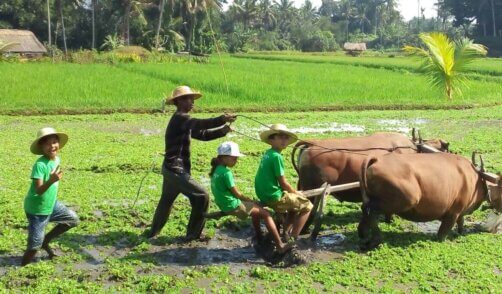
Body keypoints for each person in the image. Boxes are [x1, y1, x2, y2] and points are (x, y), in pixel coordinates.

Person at [145, 85, 236, 241]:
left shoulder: (184, 122)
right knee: (202, 196)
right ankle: (193, 235)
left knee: (166, 201)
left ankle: (152, 233)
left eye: (193, 99)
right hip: (175, 169)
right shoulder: (181, 118)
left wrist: (223, 130)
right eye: (189, 99)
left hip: (171, 168)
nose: (192, 102)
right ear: (179, 101)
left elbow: (203, 135)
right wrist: (222, 119)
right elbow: (200, 124)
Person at [208, 141, 292, 253]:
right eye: (234, 158)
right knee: (267, 215)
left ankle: (259, 236)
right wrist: (250, 200)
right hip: (232, 205)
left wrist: (251, 203)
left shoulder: (216, 170)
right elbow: (237, 194)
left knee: (256, 209)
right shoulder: (226, 173)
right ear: (224, 158)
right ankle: (280, 246)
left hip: (223, 203)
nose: (236, 161)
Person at [22, 127, 80, 266]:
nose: (52, 146)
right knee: (33, 247)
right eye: (47, 143)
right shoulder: (40, 165)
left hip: (51, 204)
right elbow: (39, 190)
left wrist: (53, 179)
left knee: (72, 220)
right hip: (37, 210)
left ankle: (46, 241)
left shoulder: (56, 159)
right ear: (41, 147)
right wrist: (51, 180)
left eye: (54, 142)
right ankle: (22, 266)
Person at [254, 124, 313, 241]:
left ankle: (285, 233)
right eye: (280, 137)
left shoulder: (268, 153)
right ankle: (293, 238)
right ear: (271, 139)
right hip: (273, 196)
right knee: (308, 206)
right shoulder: (277, 157)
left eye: (286, 138)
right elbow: (283, 182)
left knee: (293, 207)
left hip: (263, 194)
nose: (284, 140)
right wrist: (296, 192)